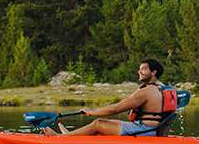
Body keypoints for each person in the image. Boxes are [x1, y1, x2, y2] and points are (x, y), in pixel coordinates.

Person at [45, 58, 177, 137]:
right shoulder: (165, 88)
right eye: (139, 69)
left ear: (153, 72)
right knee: (107, 125)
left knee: (99, 123)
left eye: (143, 69)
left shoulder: (147, 91)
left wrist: (92, 112)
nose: (139, 72)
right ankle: (72, 135)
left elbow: (116, 109)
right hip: (153, 130)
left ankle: (63, 138)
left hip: (143, 131)